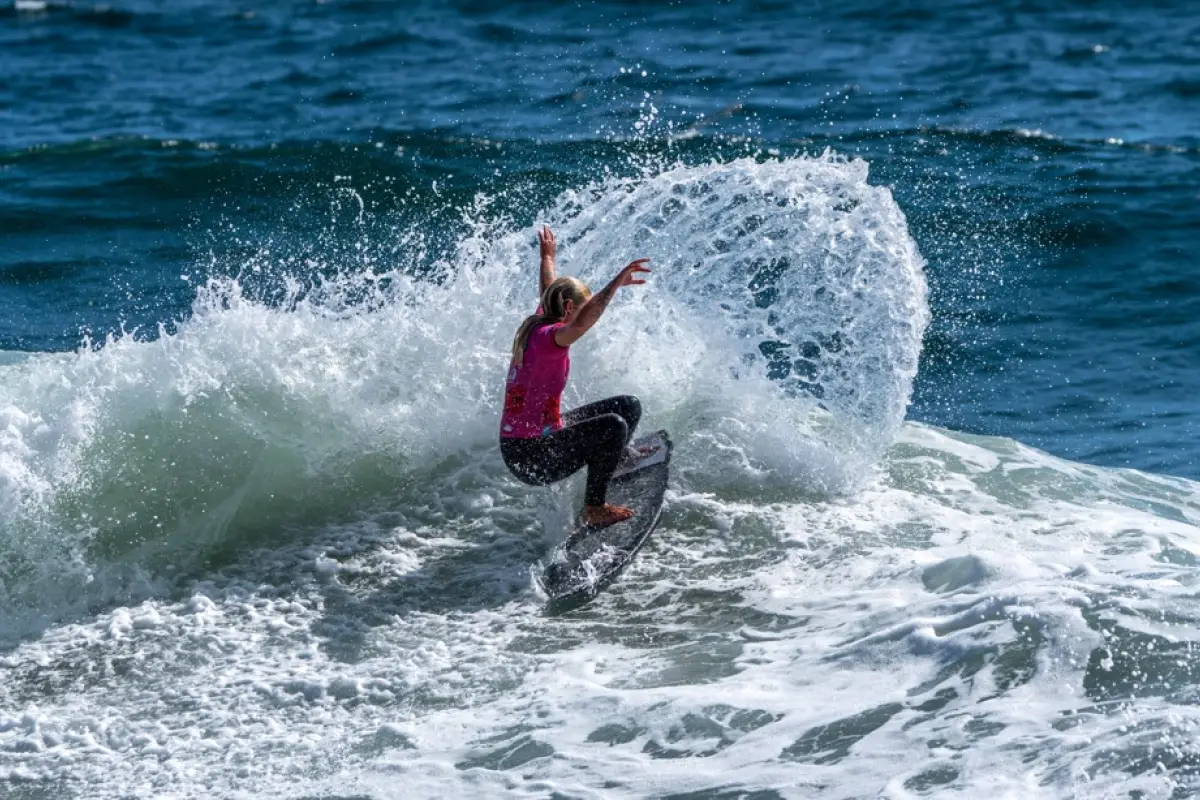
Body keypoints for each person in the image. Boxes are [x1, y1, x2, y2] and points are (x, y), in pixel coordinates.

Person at [500, 225, 651, 528]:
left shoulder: (543, 317)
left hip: (541, 438)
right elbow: (586, 320)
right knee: (613, 425)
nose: (583, 316)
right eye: (579, 309)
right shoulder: (550, 337)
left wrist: (547, 258)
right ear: (569, 308)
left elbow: (549, 287)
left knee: (627, 406)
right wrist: (615, 283)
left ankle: (613, 458)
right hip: (531, 459)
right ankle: (593, 508)